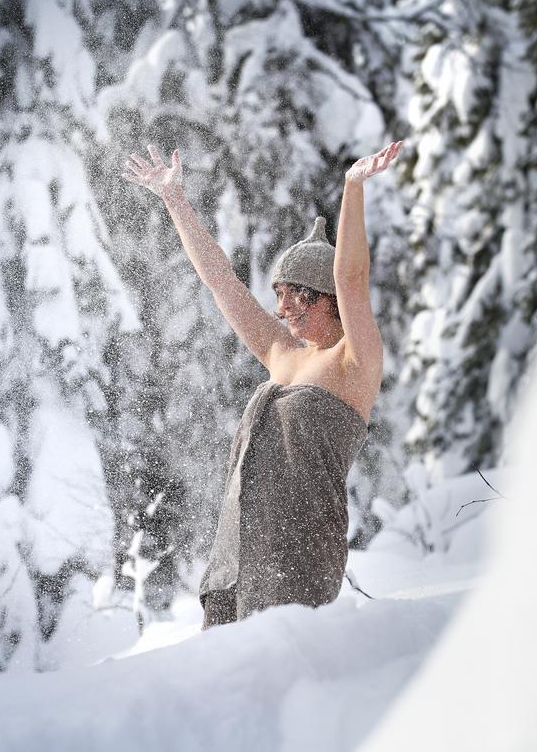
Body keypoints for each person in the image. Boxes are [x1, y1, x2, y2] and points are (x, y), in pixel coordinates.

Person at [122, 140, 403, 627]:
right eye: (278, 296)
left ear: (328, 298)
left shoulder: (354, 361)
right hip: (237, 557)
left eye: (296, 296)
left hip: (301, 555)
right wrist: (175, 201)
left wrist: (352, 189)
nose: (282, 309)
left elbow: (353, 277)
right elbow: (220, 280)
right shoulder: (281, 352)